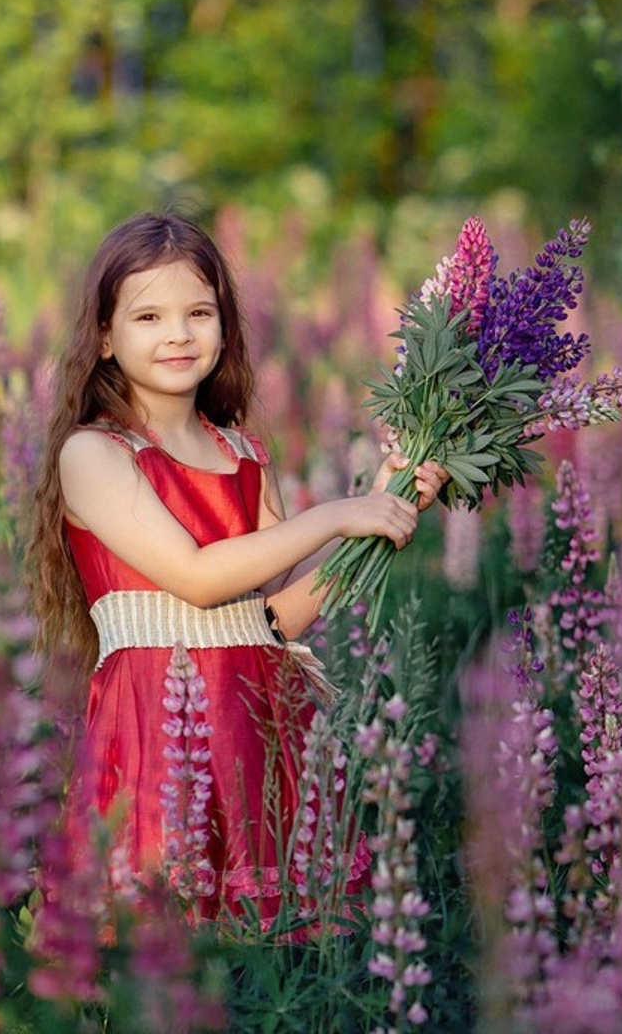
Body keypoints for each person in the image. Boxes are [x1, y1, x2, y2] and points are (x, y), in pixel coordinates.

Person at [27, 212, 447, 924]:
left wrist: (385, 509)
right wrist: (337, 514)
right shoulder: (94, 454)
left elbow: (278, 616)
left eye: (198, 312)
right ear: (104, 335)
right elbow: (196, 576)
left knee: (266, 945)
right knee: (164, 935)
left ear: (224, 325)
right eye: (149, 316)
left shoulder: (244, 455)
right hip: (155, 729)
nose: (178, 334)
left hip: (258, 727)